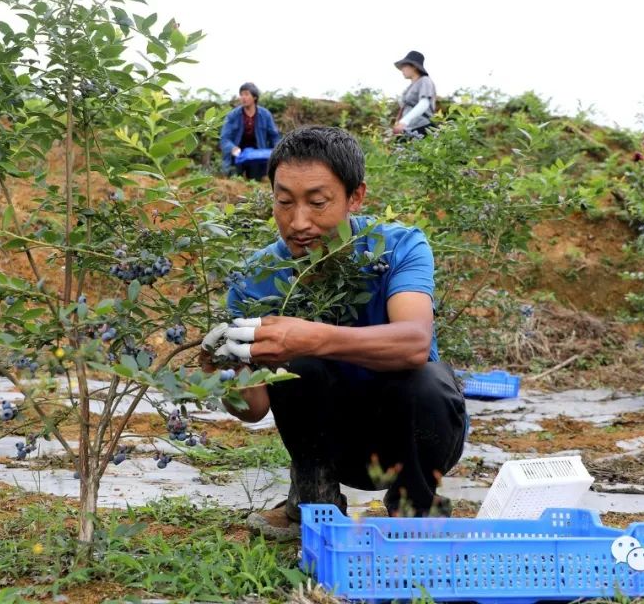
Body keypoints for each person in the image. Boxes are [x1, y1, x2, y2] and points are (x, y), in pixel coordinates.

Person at [200, 126, 467, 539]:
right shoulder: (254, 279)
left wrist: (310, 336)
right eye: (284, 202)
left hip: (412, 437)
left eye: (318, 203)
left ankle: (415, 512)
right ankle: (313, 504)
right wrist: (224, 368)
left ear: (355, 197)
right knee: (298, 364)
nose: (298, 222)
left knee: (427, 380)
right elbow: (252, 409)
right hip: (332, 442)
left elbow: (414, 342)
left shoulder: (397, 247)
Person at [220, 82, 281, 180]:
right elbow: (225, 138)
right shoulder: (232, 115)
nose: (243, 97)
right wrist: (233, 148)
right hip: (237, 155)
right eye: (241, 94)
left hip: (257, 155)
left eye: (246, 94)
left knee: (256, 180)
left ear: (255, 97)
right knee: (235, 180)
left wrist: (277, 152)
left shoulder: (265, 115)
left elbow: (274, 136)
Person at [392, 50, 437, 137]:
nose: (402, 69)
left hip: (422, 127)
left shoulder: (425, 81)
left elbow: (424, 103)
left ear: (414, 67)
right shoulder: (410, 87)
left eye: (404, 66)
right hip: (409, 129)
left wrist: (404, 122)